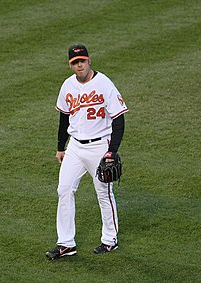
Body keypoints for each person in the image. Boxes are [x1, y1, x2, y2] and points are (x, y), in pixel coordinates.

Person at [46, 44, 129, 260]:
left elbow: (119, 120)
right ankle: (66, 244)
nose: (79, 65)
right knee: (64, 190)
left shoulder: (104, 83)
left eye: (82, 60)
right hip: (75, 146)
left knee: (104, 193)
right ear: (71, 65)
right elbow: (64, 117)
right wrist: (60, 147)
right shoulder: (67, 85)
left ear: (89, 60)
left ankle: (110, 240)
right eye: (75, 62)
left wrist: (111, 151)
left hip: (100, 146)